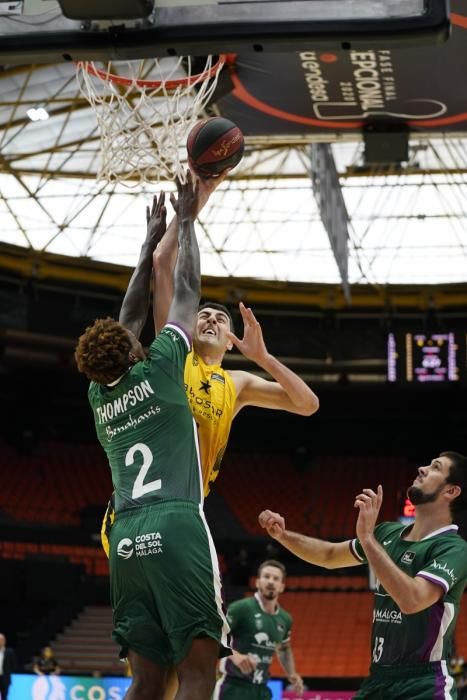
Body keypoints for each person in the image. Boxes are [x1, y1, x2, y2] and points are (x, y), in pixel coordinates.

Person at [75, 174, 230, 700]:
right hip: (176, 522)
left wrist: (149, 245)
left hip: (125, 539)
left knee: (145, 678)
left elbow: (131, 315)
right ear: (132, 351)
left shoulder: (100, 398)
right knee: (197, 674)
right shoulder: (162, 370)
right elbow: (184, 292)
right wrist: (183, 220)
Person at [259, 451, 467, 699]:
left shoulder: (454, 549)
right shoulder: (387, 533)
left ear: (451, 491)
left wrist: (368, 539)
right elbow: (327, 555)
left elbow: (413, 600)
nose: (422, 468)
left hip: (423, 684)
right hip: (378, 680)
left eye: (435, 467)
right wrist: (283, 535)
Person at [214, 560, 304, 700]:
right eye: (266, 576)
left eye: (276, 578)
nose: (271, 581)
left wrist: (291, 673)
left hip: (261, 690)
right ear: (257, 582)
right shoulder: (241, 608)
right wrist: (235, 656)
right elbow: (215, 635)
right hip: (233, 687)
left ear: (281, 586)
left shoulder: (285, 619)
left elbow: (284, 648)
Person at [0, 634, 16, 699]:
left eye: (1, 640)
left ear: (4, 641)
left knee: (4, 696)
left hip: (5, 678)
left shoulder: (9, 652)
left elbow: (13, 665)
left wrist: (7, 672)